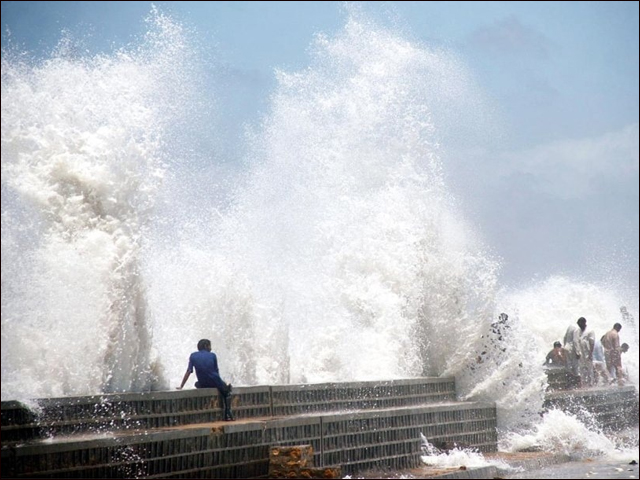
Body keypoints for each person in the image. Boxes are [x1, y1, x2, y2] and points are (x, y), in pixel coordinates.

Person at [178, 339, 235, 421]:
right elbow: (216, 372)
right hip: (215, 381)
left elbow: (189, 371)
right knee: (227, 391)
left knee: (196, 384)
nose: (210, 348)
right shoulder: (212, 355)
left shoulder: (193, 356)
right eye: (209, 346)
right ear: (205, 346)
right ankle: (228, 413)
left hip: (203, 383)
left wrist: (181, 385)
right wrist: (223, 385)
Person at [563, 317, 587, 388]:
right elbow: (575, 341)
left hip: (567, 348)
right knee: (576, 366)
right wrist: (578, 352)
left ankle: (569, 383)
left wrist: (565, 345)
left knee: (569, 366)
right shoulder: (577, 329)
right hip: (572, 349)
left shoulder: (571, 326)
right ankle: (578, 384)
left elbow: (565, 337)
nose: (585, 325)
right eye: (584, 323)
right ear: (581, 323)